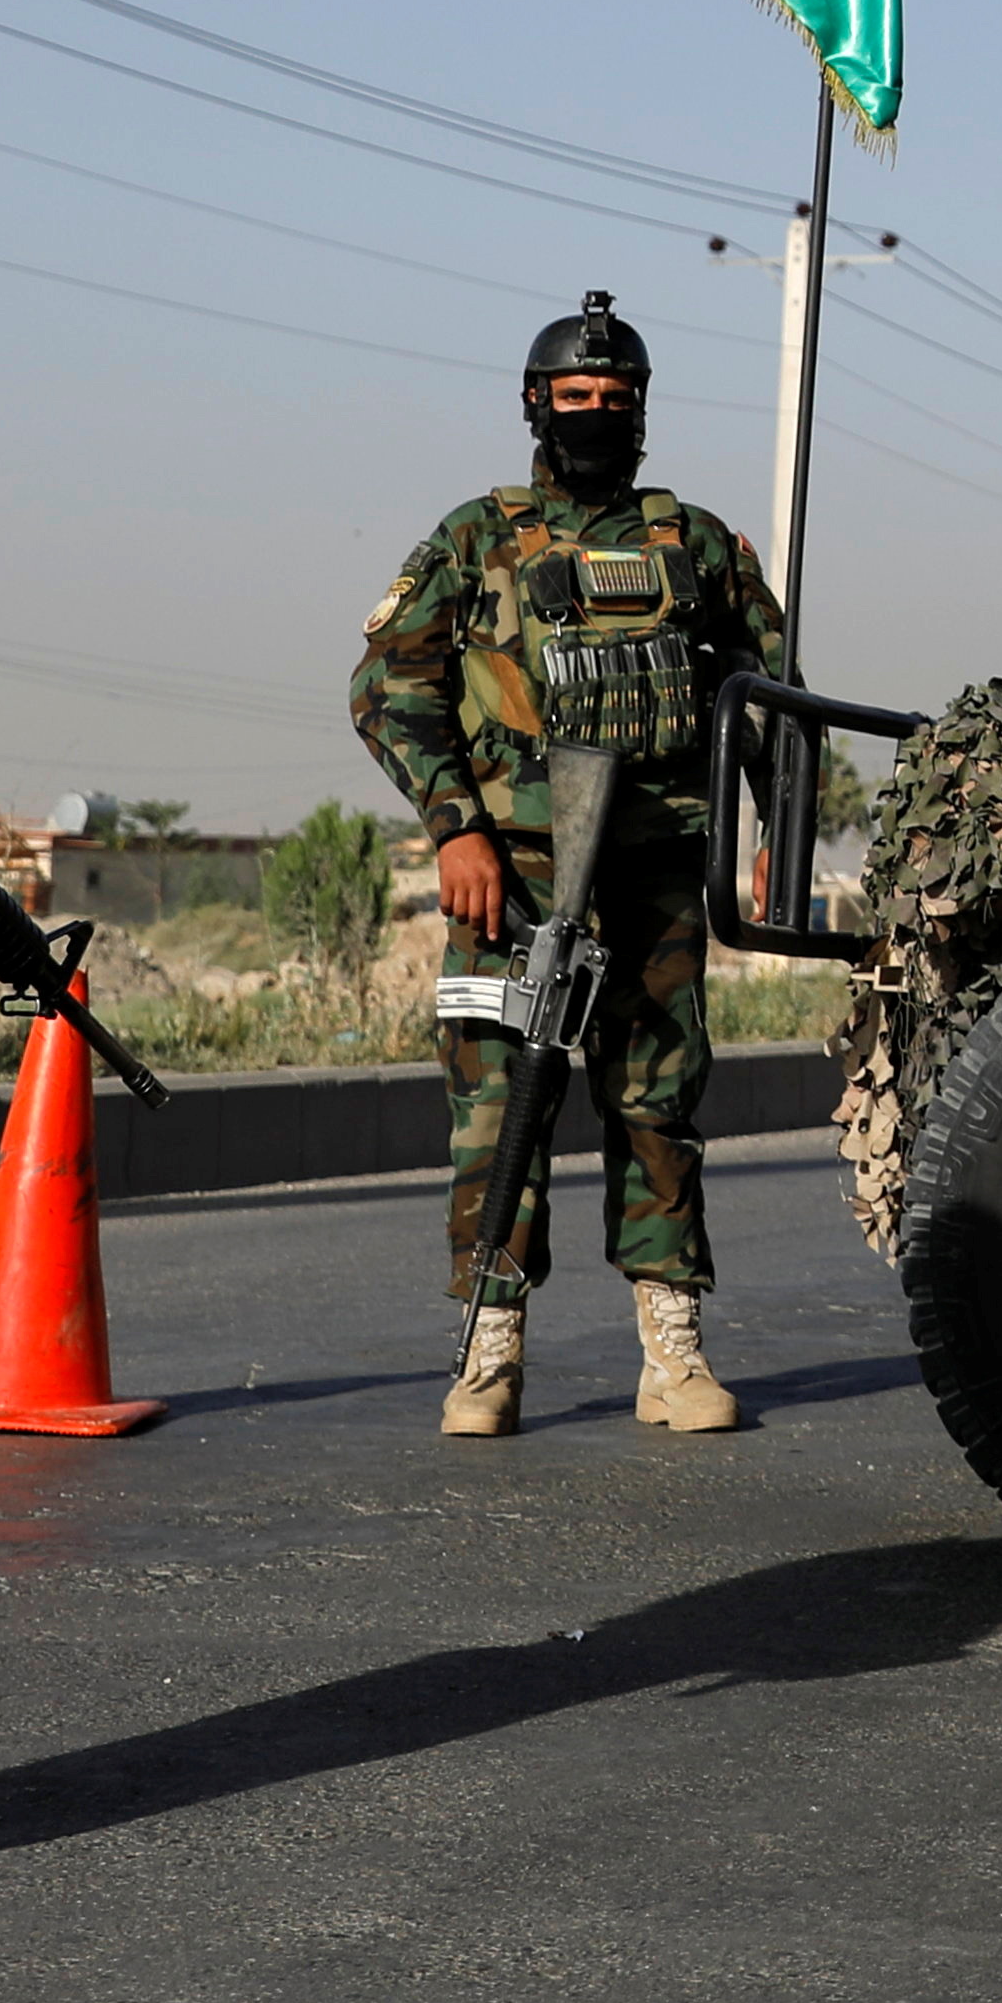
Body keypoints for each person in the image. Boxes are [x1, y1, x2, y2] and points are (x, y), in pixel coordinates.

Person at [348, 297, 784, 1440]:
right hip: (511, 880)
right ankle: (489, 1349)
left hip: (648, 877)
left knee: (656, 1109)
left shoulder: (694, 544)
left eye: (616, 399)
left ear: (642, 410)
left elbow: (769, 697)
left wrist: (777, 817)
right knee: (498, 1113)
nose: (595, 414)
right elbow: (389, 688)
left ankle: (671, 1349)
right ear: (535, 403)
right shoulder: (473, 539)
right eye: (575, 397)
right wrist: (456, 828)